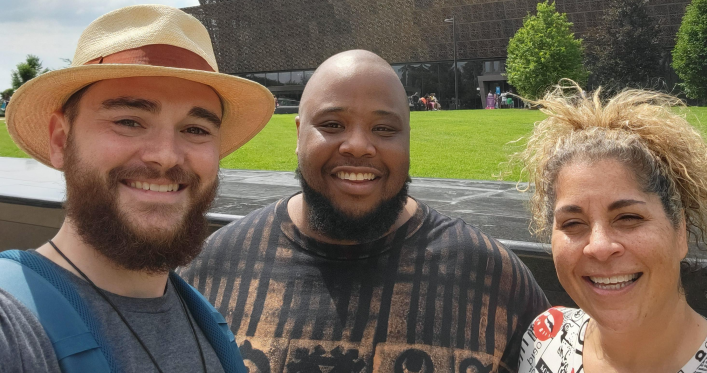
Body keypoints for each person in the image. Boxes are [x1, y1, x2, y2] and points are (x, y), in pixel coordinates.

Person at [179, 50, 549, 373]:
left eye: (384, 129)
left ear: (407, 140)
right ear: (297, 134)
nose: (358, 145)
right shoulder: (211, 269)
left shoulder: (491, 277)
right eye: (332, 125)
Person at [0, 4, 276, 373]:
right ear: (61, 140)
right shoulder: (13, 328)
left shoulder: (206, 321)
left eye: (196, 129)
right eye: (129, 121)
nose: (165, 156)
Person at [515, 85, 707, 373]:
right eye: (573, 223)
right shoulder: (543, 339)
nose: (600, 247)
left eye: (628, 218)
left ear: (680, 232)